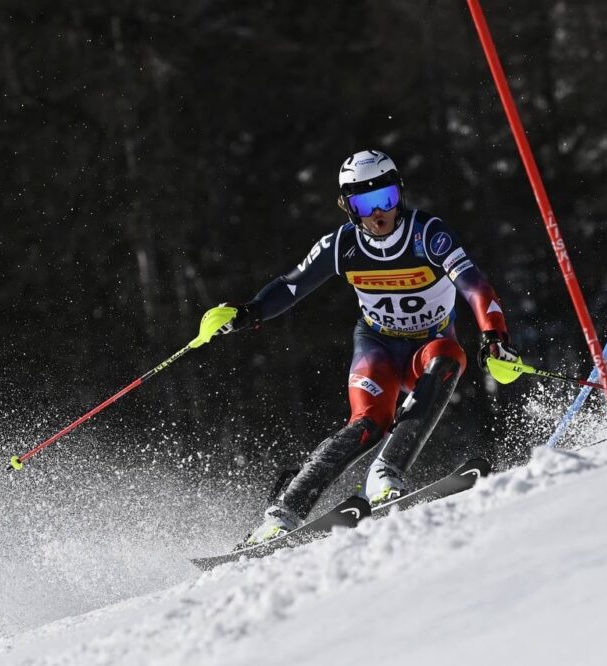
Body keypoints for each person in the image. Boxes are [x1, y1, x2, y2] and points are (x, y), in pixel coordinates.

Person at [215, 149, 519, 544]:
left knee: (449, 357)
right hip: (376, 345)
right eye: (365, 203)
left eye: (387, 199)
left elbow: (475, 285)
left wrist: (494, 335)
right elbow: (292, 286)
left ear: (400, 195)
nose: (380, 214)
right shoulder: (340, 245)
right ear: (348, 206)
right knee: (367, 423)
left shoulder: (429, 234)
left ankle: (385, 474)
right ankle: (281, 515)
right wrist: (248, 312)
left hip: (428, 345)